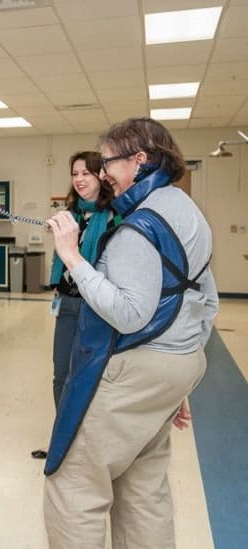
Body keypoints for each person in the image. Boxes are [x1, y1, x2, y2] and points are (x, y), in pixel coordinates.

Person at [43, 118, 218, 548]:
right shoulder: (185, 209)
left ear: (139, 160)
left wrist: (72, 257)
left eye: (107, 164)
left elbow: (129, 313)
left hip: (133, 370)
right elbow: (205, 300)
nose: (101, 174)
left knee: (74, 485)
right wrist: (175, 375)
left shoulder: (140, 227)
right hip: (180, 362)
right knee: (144, 489)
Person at [33, 151, 115, 460]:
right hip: (68, 302)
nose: (79, 179)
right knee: (61, 375)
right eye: (75, 173)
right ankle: (63, 438)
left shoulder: (115, 217)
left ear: (101, 177)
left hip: (99, 308)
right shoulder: (69, 217)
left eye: (87, 173)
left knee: (94, 376)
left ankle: (91, 444)